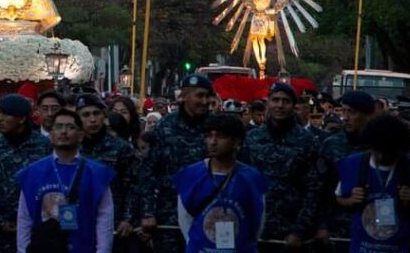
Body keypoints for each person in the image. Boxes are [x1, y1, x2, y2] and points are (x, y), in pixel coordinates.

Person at [335, 113, 410, 252]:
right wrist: (350, 200)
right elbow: (338, 198)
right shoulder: (352, 165)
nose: (382, 155)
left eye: (388, 151)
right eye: (378, 150)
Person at [16, 108, 115, 253]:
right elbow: (24, 219)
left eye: (70, 127)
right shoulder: (32, 173)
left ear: (80, 135)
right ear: (50, 135)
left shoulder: (97, 173)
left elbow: (104, 218)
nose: (63, 132)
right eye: (58, 127)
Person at [135, 74, 213, 251]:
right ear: (184, 96)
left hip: (207, 212)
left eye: (208, 96)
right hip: (170, 214)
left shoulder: (215, 127)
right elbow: (149, 171)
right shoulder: (166, 127)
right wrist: (148, 212)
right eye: (199, 96)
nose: (205, 101)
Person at [239, 81, 321, 248]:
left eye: (286, 101)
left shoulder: (306, 141)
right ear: (268, 102)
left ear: (293, 105)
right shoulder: (252, 138)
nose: (280, 105)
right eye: (275, 100)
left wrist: (300, 230)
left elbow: (314, 190)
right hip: (255, 227)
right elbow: (241, 182)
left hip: (291, 233)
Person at [174, 114, 268, 253]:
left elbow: (258, 220)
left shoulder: (251, 178)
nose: (213, 141)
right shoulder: (191, 175)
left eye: (220, 136)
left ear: (237, 142)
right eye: (210, 136)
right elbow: (185, 219)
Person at [0, 94, 51, 253]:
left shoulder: (44, 146)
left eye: (5, 114)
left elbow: (51, 187)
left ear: (21, 119)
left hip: (36, 229)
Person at [74, 95, 137, 246]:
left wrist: (128, 219)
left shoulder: (120, 148)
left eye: (96, 113)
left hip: (112, 222)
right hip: (77, 220)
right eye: (86, 115)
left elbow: (132, 186)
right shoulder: (72, 147)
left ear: (104, 116)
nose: (92, 119)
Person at [317, 89, 376, 243]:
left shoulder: (380, 147)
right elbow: (320, 188)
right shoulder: (332, 144)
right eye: (344, 111)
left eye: (352, 112)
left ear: (368, 115)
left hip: (374, 226)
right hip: (337, 227)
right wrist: (322, 225)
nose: (346, 118)